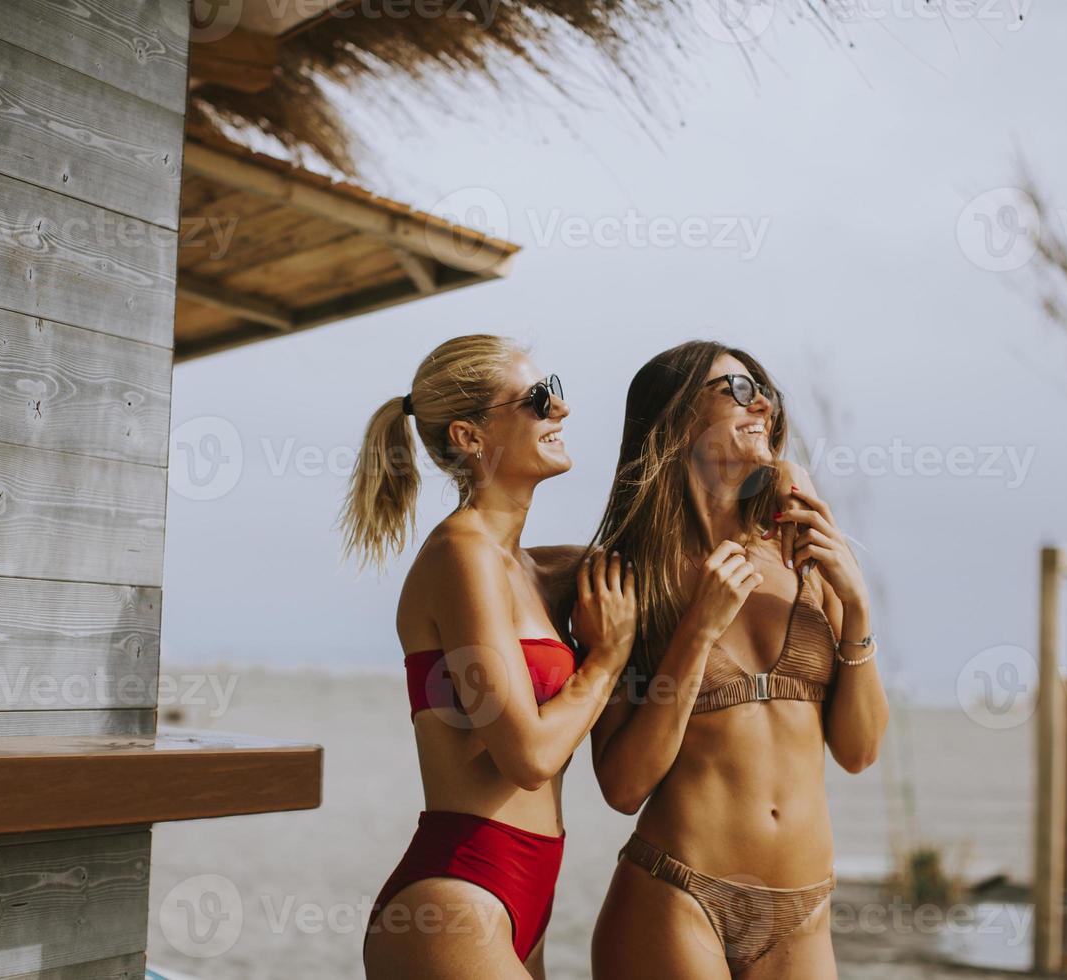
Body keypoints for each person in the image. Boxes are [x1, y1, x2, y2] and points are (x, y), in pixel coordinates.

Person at [588, 340, 889, 979]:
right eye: (738, 390)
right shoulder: (629, 579)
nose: (764, 406)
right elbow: (622, 786)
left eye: (766, 393)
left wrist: (857, 607)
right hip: (678, 895)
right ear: (675, 421)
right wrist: (696, 631)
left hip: (803, 913)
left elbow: (859, 753)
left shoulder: (802, 560)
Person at [342, 334, 636, 979]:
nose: (561, 408)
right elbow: (526, 756)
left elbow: (660, 566)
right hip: (456, 895)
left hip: (527, 890)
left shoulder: (537, 571)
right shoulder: (461, 554)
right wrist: (607, 657)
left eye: (553, 389)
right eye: (537, 398)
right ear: (470, 437)